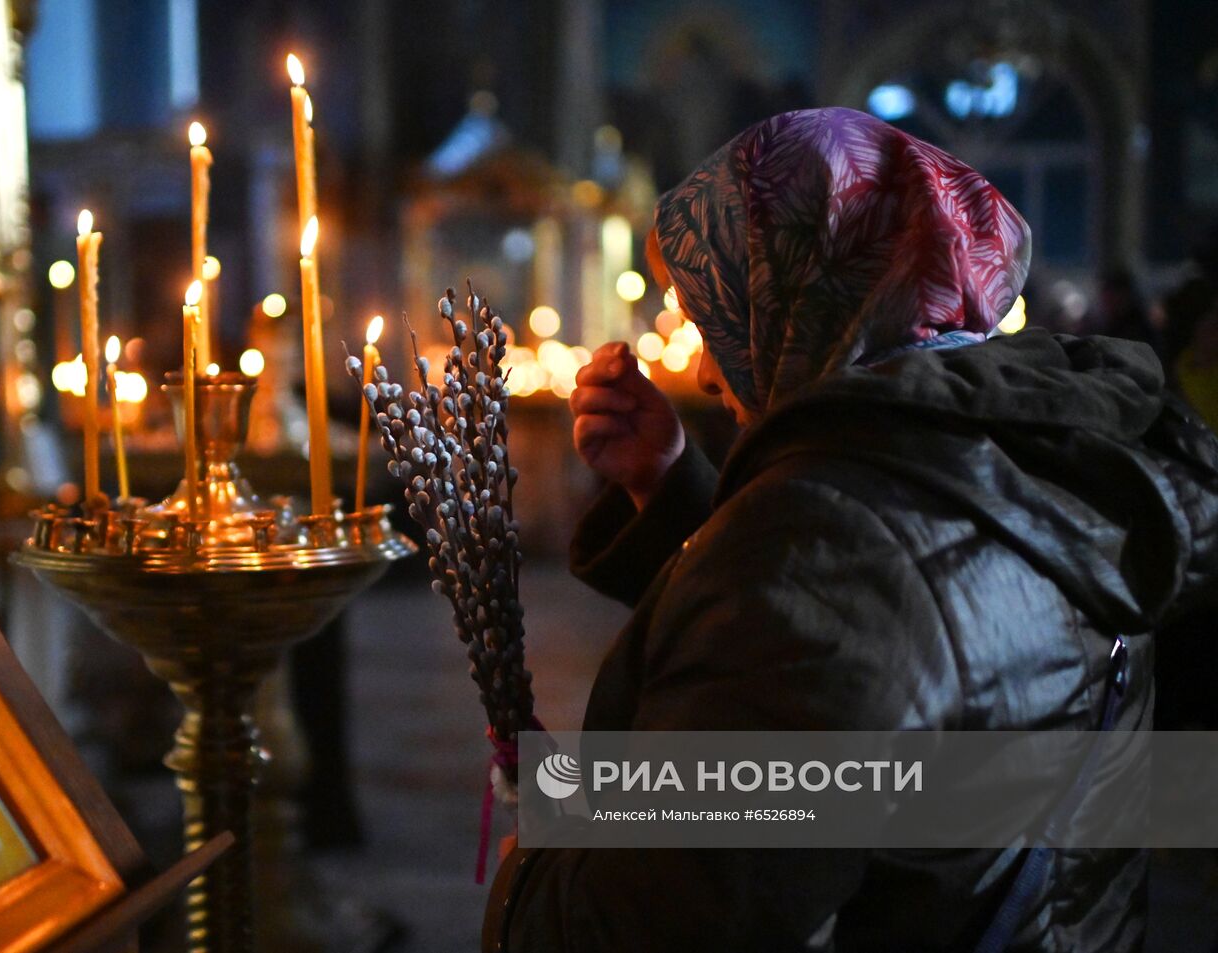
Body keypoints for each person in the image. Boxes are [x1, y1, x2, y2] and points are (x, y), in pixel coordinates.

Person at [484, 108, 1218, 951]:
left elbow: (674, 907)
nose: (701, 358)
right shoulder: (1040, 459)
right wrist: (674, 493)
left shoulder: (814, 559)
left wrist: (531, 877)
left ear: (786, 297)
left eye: (710, 307)